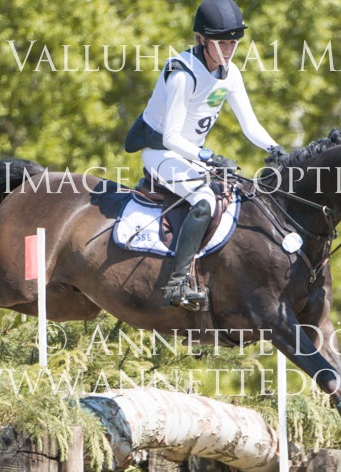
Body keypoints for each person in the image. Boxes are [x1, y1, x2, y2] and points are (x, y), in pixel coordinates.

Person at [125, 0, 287, 310]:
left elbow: (250, 125)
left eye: (233, 43)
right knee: (205, 200)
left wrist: (276, 149)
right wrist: (210, 157)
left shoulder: (231, 74)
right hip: (161, 154)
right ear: (202, 39)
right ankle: (177, 283)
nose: (228, 49)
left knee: (236, 194)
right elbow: (171, 138)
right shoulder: (183, 74)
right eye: (221, 42)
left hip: (191, 156)